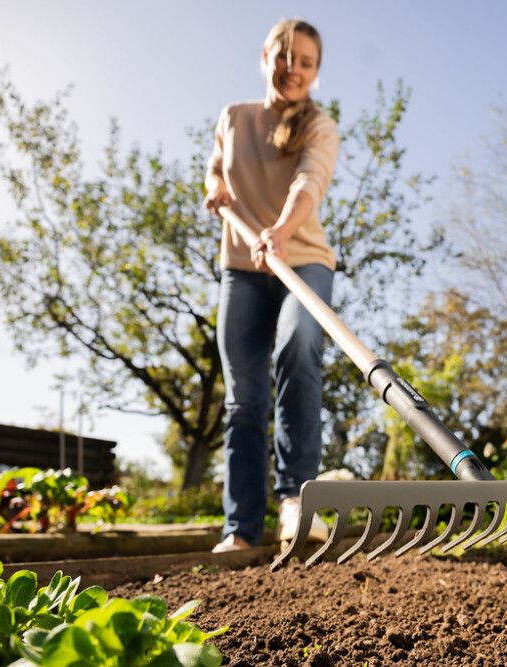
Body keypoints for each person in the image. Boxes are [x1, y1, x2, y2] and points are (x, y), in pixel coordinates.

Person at [204, 18, 339, 553]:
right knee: (243, 399)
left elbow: (310, 182)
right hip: (242, 266)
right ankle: (240, 529)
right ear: (266, 56)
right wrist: (215, 188)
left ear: (315, 72)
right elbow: (216, 172)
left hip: (302, 259)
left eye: (307, 63)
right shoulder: (233, 118)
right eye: (287, 57)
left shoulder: (319, 125)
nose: (295, 70)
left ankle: (295, 502)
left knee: (299, 346)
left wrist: (280, 231)